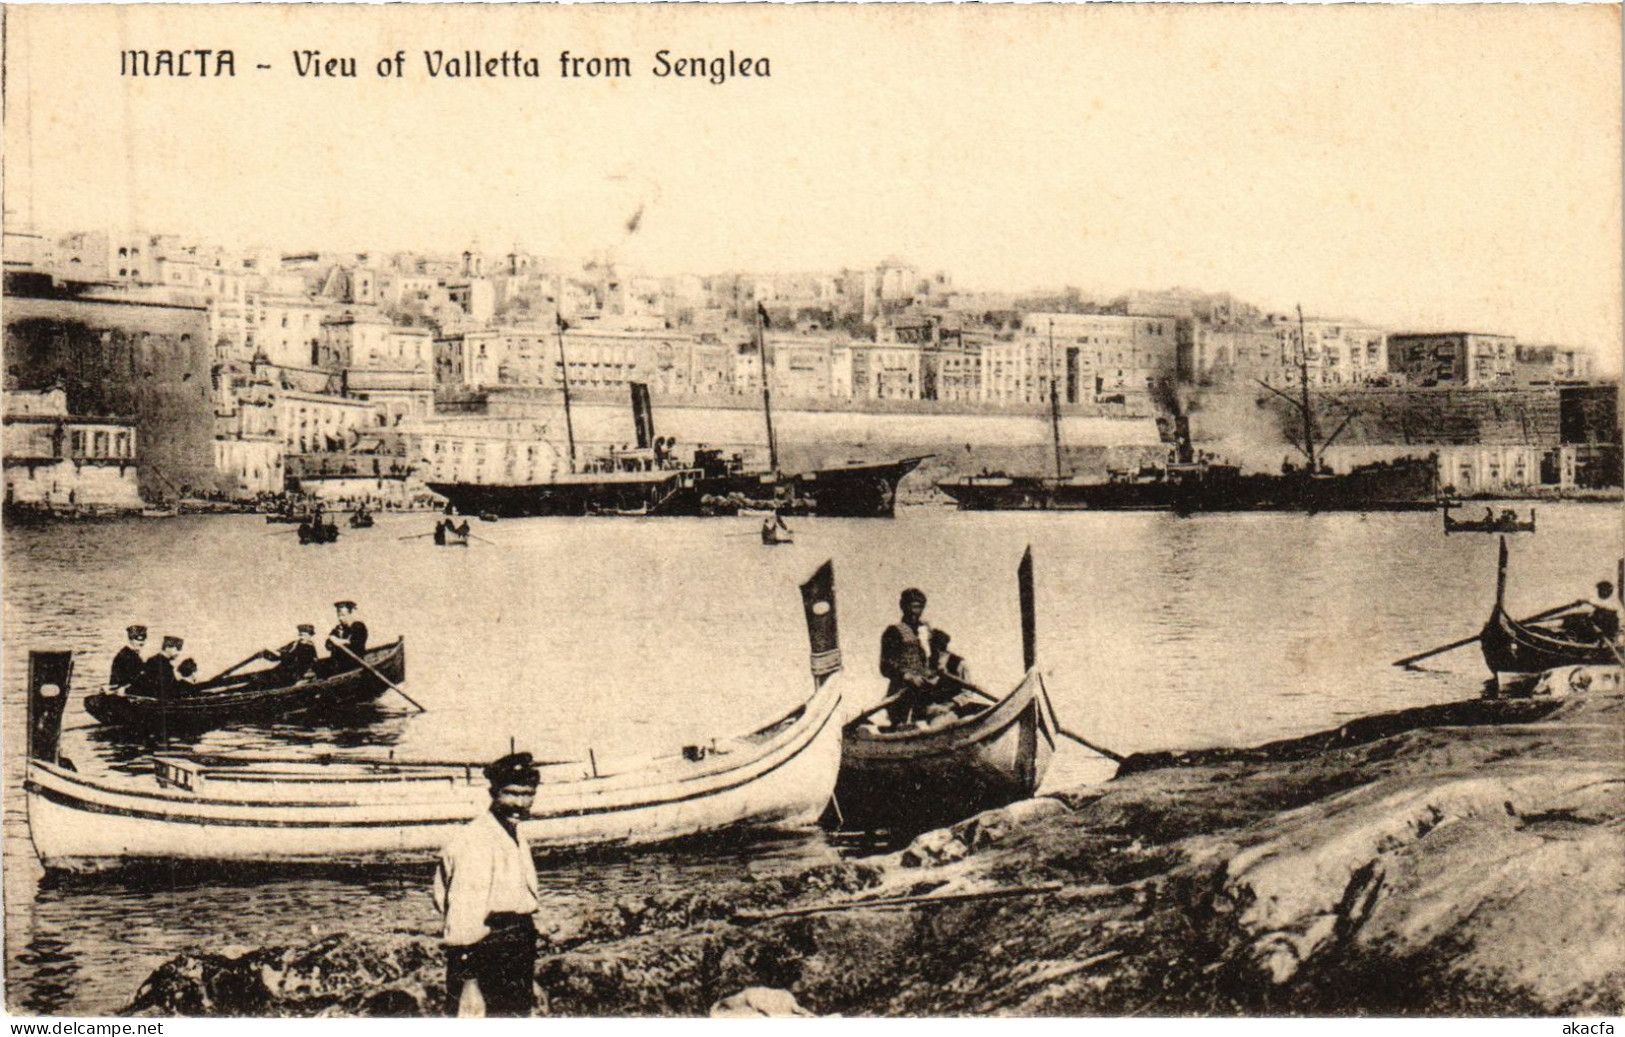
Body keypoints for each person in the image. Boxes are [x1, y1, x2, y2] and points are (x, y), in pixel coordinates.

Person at [433, 752, 542, 1017]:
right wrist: (469, 986)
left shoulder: (512, 834)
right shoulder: (475, 842)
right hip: (484, 959)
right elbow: (462, 919)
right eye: (512, 793)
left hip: (514, 953)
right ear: (493, 792)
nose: (520, 803)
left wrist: (527, 979)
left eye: (528, 794)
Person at [878, 588, 967, 727]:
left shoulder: (927, 630)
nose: (915, 612)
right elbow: (885, 666)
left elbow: (937, 656)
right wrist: (907, 676)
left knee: (944, 711)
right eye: (912, 606)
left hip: (928, 690)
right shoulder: (894, 632)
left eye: (919, 607)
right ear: (903, 606)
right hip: (904, 693)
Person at [135, 636, 187, 702]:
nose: (178, 653)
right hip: (159, 703)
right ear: (168, 647)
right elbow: (164, 687)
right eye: (178, 649)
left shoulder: (161, 661)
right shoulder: (157, 662)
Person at [324, 601, 369, 672]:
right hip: (339, 666)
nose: (340, 618)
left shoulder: (358, 626)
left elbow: (356, 643)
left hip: (354, 664)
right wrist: (334, 640)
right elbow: (328, 645)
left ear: (350, 614)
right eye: (338, 615)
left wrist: (339, 641)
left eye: (343, 615)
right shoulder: (338, 629)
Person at [110, 625, 148, 690]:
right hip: (124, 692)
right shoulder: (125, 656)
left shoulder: (133, 655)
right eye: (138, 639)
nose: (142, 643)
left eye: (143, 639)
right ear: (131, 639)